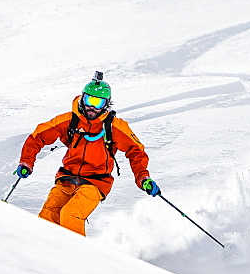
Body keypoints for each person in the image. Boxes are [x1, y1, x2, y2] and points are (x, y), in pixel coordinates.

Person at [14, 72, 160, 236]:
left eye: (98, 102)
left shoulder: (114, 127)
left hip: (95, 182)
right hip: (66, 178)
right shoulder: (70, 120)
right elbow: (38, 136)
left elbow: (136, 151)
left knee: (71, 214)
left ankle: (78, 258)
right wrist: (26, 162)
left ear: (106, 104)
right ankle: (43, 254)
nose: (92, 107)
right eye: (89, 100)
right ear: (82, 98)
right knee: (48, 216)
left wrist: (143, 177)